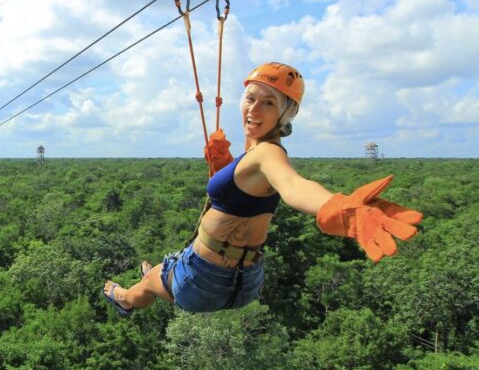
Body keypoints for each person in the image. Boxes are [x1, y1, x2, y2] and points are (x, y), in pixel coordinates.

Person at [103, 62, 423, 314]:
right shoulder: (254, 155)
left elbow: (294, 185)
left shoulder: (269, 154)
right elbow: (245, 193)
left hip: (203, 280)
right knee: (167, 266)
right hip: (245, 282)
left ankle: (124, 298)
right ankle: (164, 269)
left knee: (145, 285)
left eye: (268, 103)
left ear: (285, 113)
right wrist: (225, 166)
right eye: (250, 98)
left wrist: (336, 207)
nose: (254, 110)